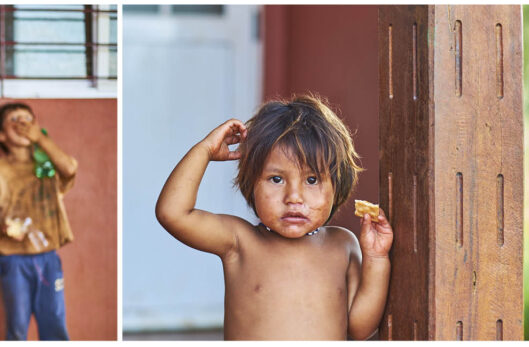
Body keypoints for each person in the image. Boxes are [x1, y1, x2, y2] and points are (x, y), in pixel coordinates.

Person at [155, 94, 394, 340]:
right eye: (276, 179)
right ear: (252, 184)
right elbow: (172, 213)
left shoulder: (342, 245)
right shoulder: (239, 241)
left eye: (311, 180)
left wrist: (376, 258)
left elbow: (360, 328)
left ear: (337, 185)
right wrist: (204, 150)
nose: (293, 197)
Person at [0, 102, 78, 340]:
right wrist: (3, 227)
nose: (22, 125)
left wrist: (41, 140)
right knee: (17, 323)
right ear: (0, 135)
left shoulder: (47, 165)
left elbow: (69, 170)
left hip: (48, 255)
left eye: (27, 120)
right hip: (13, 258)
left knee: (54, 320)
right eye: (14, 121)